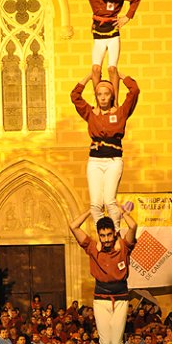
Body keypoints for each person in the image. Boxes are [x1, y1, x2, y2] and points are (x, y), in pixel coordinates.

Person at [69, 207, 137, 344]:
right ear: (99, 235)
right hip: (101, 298)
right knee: (105, 343)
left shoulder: (122, 247)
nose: (106, 239)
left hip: (121, 298)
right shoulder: (93, 247)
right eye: (102, 235)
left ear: (114, 233)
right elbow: (73, 226)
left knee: (116, 341)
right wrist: (90, 212)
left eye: (109, 235)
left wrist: (122, 212)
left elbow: (133, 226)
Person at [70, 73, 140, 229]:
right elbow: (75, 96)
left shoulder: (120, 113)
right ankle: (102, 236)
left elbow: (134, 90)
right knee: (95, 204)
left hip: (113, 161)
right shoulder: (91, 113)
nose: (102, 97)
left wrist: (119, 75)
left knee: (109, 201)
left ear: (111, 96)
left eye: (106, 94)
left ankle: (115, 233)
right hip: (95, 161)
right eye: (99, 94)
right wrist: (88, 77)